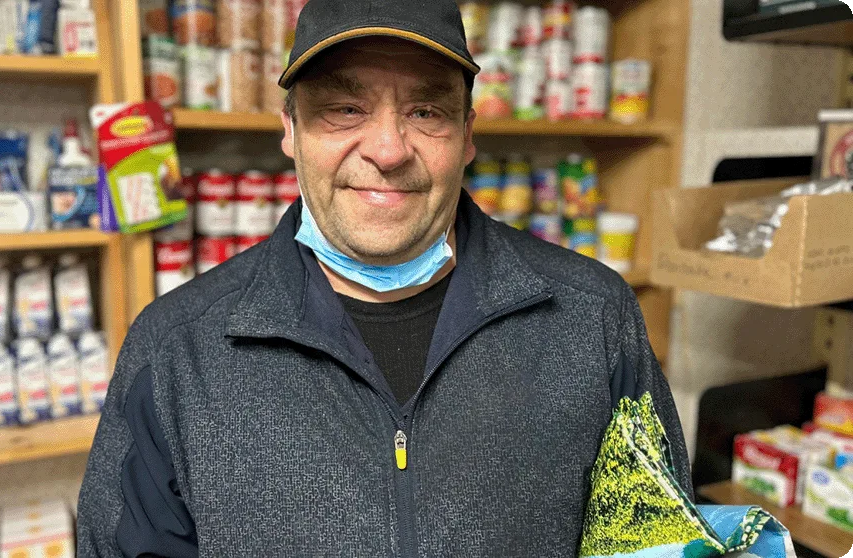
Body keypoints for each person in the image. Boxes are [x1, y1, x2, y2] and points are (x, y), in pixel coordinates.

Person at [77, 0, 693, 555]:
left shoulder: (592, 317)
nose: (390, 150)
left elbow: (654, 542)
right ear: (289, 130)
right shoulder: (177, 349)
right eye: (345, 110)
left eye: (426, 112)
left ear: (468, 135)